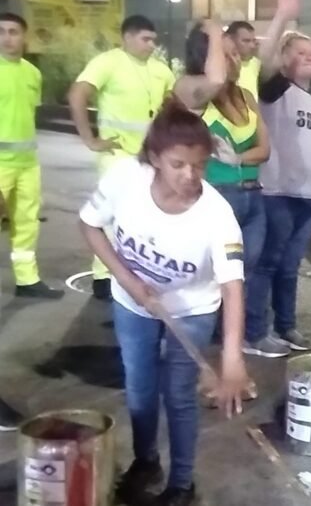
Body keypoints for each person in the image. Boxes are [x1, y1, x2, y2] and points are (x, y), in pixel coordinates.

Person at [79, 100, 250, 506]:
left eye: (200, 165)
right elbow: (89, 225)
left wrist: (231, 359)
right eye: (178, 165)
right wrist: (127, 279)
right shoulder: (125, 178)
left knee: (178, 394)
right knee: (139, 386)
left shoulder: (218, 215)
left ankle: (182, 483)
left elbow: (232, 288)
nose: (190, 176)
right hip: (132, 300)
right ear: (155, 158)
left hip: (192, 308)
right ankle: (146, 461)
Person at [174, 21, 278, 358]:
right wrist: (213, 28)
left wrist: (237, 157)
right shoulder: (191, 90)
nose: (237, 60)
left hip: (252, 195)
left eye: (236, 53)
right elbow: (215, 80)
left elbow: (265, 150)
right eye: (228, 53)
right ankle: (196, 347)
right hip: (217, 195)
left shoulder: (246, 96)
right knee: (209, 276)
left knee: (240, 276)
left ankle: (230, 342)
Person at [246, 0, 311, 357]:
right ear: (285, 59)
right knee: (268, 264)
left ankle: (286, 326)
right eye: (301, 54)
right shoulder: (275, 90)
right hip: (279, 193)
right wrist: (283, 17)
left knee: (288, 268)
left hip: (310, 196)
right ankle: (256, 332)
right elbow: (263, 62)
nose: (310, 59)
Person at [69, 15, 175, 301]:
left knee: (143, 217)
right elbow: (78, 94)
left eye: (154, 39)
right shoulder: (108, 62)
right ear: (127, 37)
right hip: (115, 155)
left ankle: (136, 272)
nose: (151, 45)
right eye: (145, 39)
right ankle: (103, 277)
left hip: (149, 156)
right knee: (108, 217)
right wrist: (90, 139)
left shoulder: (160, 70)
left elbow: (170, 104)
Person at [0, 13, 63, 299]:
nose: (7, 37)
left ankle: (27, 281)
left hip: (27, 163)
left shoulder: (32, 73)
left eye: (13, 31)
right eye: (1, 31)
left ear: (24, 37)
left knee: (26, 224)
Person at [226, 21, 260, 97]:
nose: (252, 46)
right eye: (246, 41)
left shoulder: (258, 65)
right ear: (230, 40)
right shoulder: (222, 67)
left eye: (253, 41)